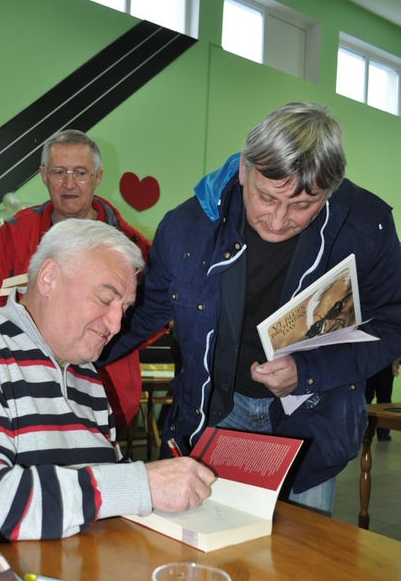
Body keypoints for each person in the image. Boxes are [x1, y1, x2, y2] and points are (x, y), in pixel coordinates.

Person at [101, 102, 401, 515]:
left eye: (303, 206)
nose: (278, 221)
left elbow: (391, 325)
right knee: (208, 545)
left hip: (312, 419)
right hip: (215, 413)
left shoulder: (366, 227)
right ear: (244, 169)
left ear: (330, 190)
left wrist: (308, 372)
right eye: (267, 198)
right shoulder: (190, 226)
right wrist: (64, 349)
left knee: (296, 560)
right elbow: (145, 314)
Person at [0, 219, 214, 539]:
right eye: (104, 299)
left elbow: (100, 480)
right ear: (48, 277)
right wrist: (141, 484)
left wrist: (155, 485)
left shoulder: (85, 373)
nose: (115, 326)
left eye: (124, 309)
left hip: (59, 572)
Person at [0, 129, 152, 431]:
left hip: (106, 387)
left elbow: (151, 317)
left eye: (80, 172)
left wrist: (100, 340)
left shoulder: (132, 246)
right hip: (25, 385)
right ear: (43, 176)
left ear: (97, 177)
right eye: (59, 172)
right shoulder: (15, 233)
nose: (69, 183)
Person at [365, 359, 401, 441]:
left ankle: (362, 432)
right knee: (384, 400)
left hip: (370, 363)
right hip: (386, 363)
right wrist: (395, 364)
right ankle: (383, 434)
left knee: (366, 399)